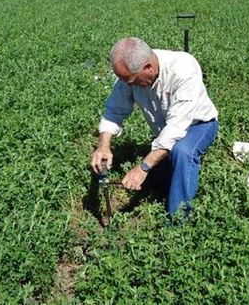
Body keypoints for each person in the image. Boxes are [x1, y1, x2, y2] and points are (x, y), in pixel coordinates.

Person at [90, 37, 219, 217]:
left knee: (181, 152)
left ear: (148, 68)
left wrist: (142, 167)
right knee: (159, 177)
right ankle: (171, 180)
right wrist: (103, 145)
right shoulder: (130, 75)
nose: (129, 85)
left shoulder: (183, 70)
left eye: (132, 81)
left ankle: (177, 223)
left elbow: (175, 130)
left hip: (199, 125)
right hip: (164, 131)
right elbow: (114, 111)